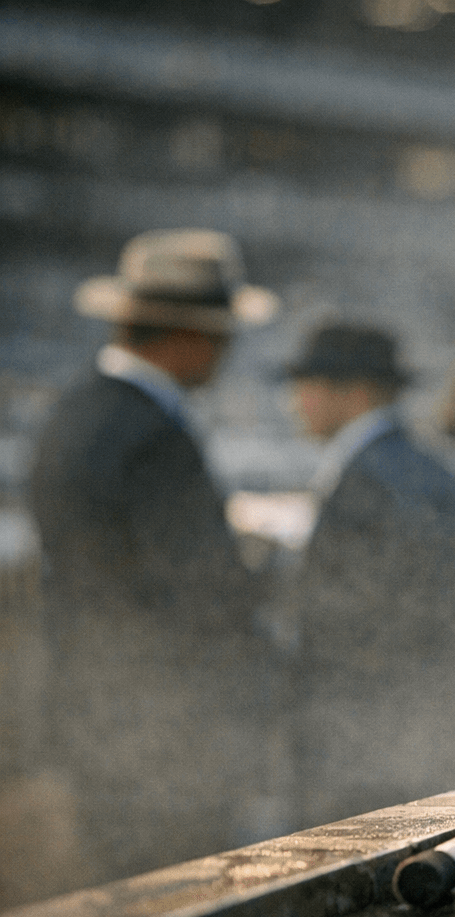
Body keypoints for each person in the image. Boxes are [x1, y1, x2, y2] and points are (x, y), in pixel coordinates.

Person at [28, 228, 281, 883]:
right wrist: (259, 572)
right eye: (223, 336)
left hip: (98, 710)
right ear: (189, 337)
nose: (227, 353)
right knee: (175, 897)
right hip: (169, 729)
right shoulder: (156, 435)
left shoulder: (73, 413)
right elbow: (199, 590)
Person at [284, 322, 455, 827]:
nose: (296, 400)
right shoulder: (431, 468)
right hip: (432, 729)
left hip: (368, 747)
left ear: (356, 392)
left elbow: (360, 615)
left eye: (309, 385)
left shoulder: (368, 477)